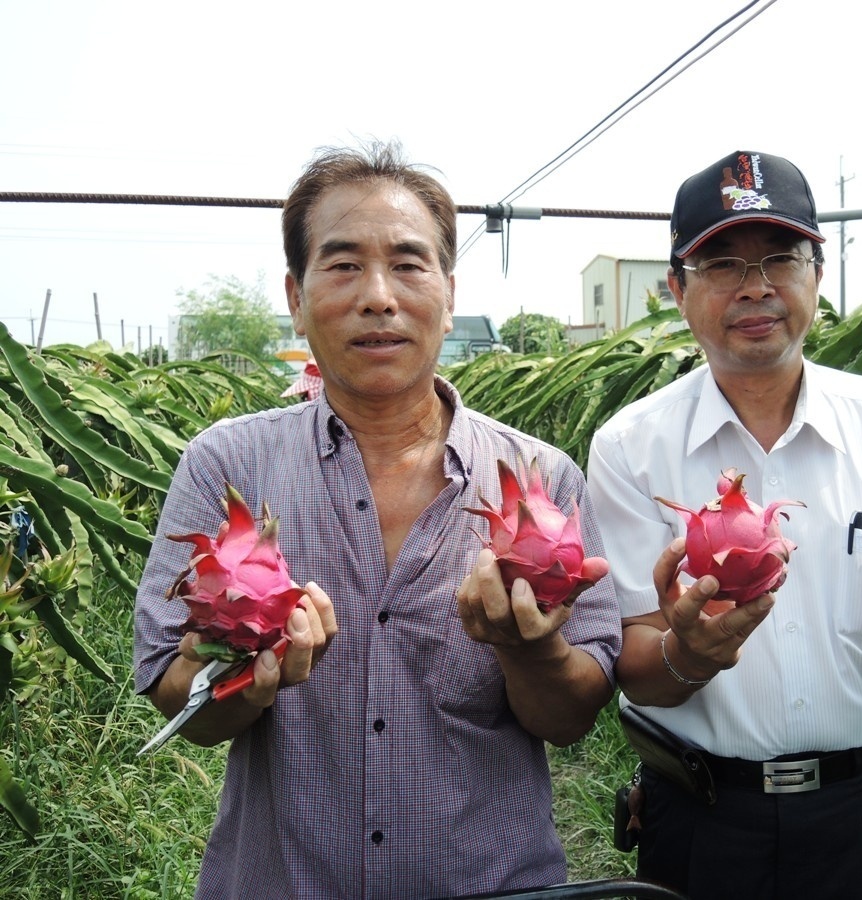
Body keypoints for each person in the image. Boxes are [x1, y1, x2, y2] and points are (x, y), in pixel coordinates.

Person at [133, 142, 621, 899]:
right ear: (295, 296)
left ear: (449, 293)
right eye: (342, 265)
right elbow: (175, 691)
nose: (379, 296)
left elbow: (571, 717)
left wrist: (528, 651)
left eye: (408, 263)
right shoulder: (224, 468)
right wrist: (241, 679)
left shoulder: (541, 480)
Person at [587, 150, 862, 900]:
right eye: (723, 264)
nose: (757, 286)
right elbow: (632, 661)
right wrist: (688, 653)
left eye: (780, 258)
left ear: (817, 276)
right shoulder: (631, 449)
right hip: (701, 817)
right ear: (677, 289)